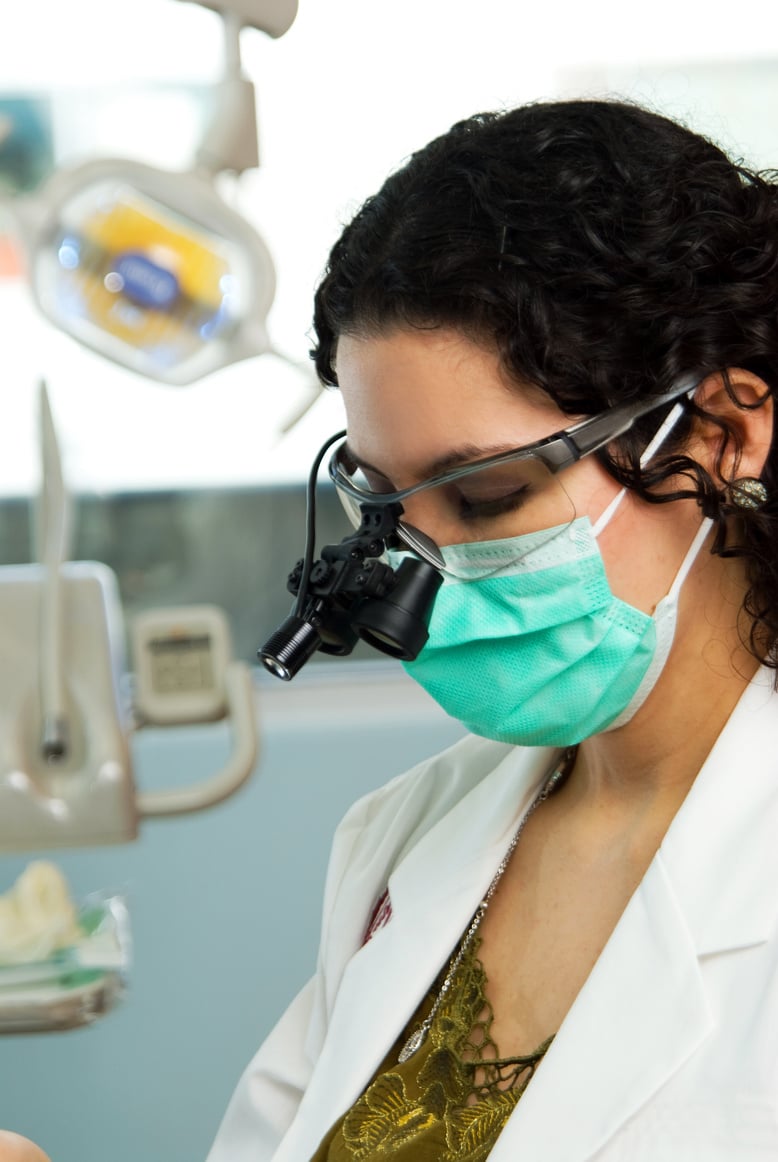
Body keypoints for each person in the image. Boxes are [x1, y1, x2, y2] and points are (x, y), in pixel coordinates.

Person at [208, 99, 778, 1159]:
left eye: (485, 499)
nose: (424, 577)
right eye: (384, 508)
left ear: (720, 432)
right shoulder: (403, 836)